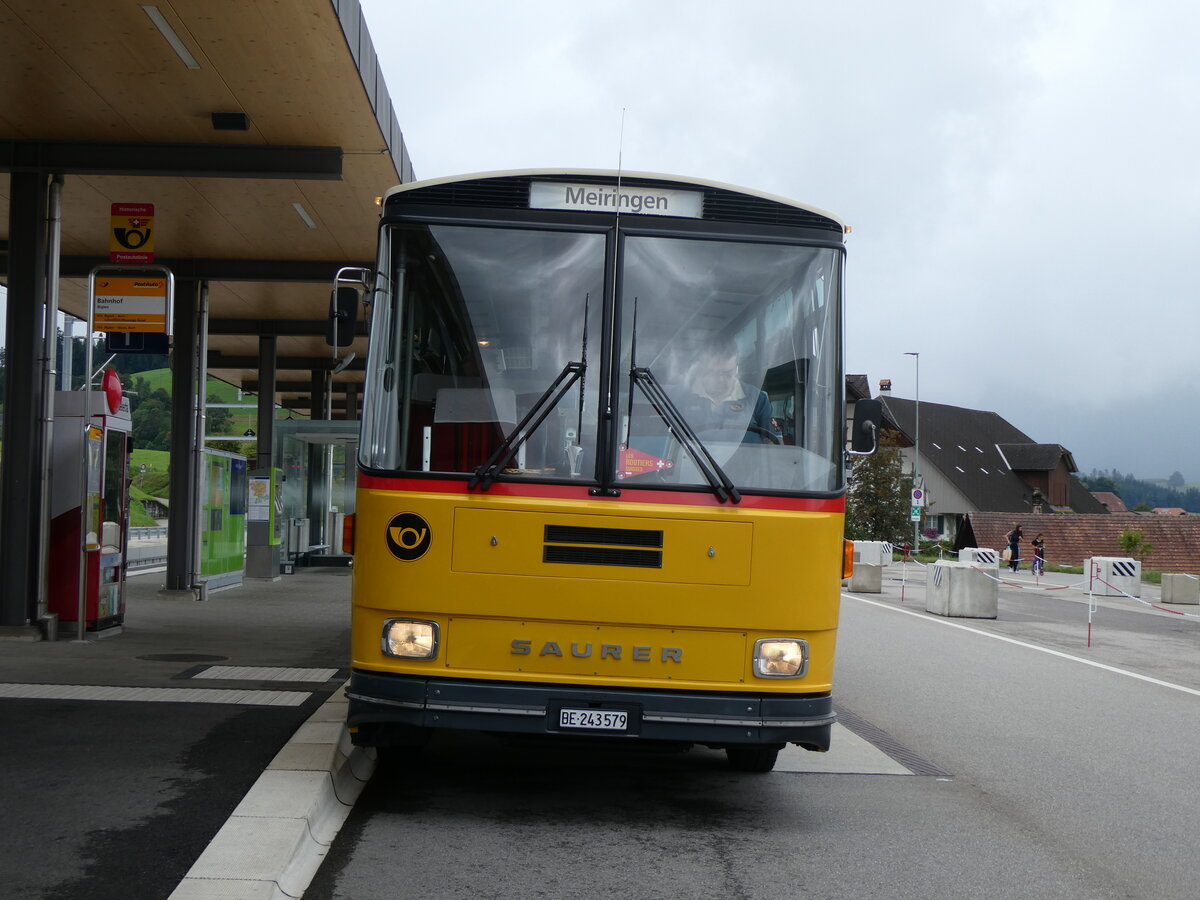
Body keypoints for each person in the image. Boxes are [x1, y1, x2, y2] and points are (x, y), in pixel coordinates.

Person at [683, 340, 777, 443]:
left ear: (736, 369)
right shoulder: (684, 397)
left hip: (747, 454)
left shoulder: (757, 398)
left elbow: (774, 443)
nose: (720, 379)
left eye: (727, 373)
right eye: (714, 373)